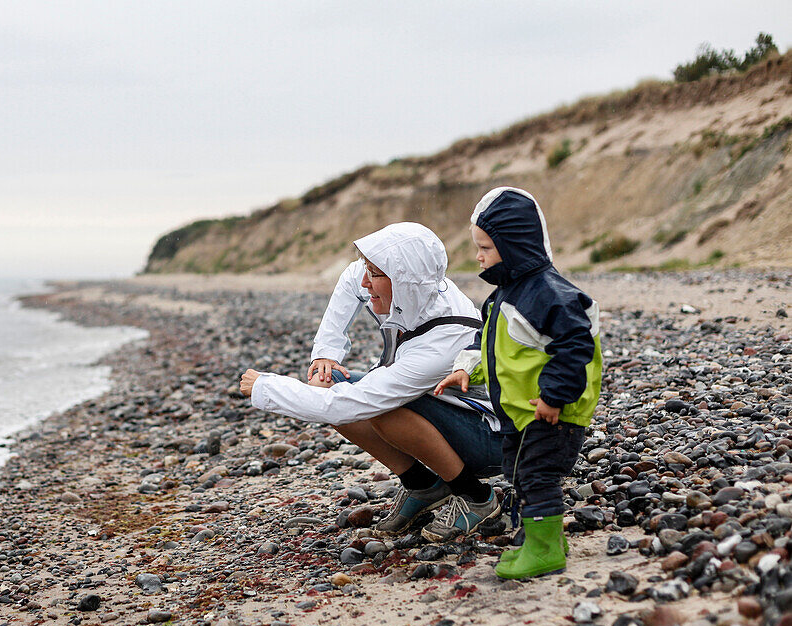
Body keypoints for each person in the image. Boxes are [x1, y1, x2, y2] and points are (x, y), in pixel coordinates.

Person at [239, 222, 504, 542]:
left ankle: (475, 497)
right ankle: (423, 486)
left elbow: (346, 406)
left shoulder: (445, 339)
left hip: (490, 438)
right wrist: (325, 352)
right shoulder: (408, 293)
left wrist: (266, 387)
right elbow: (352, 276)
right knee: (328, 378)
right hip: (448, 411)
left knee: (380, 405)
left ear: (405, 282)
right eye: (370, 270)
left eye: (376, 274)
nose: (366, 282)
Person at [435, 187, 602, 579]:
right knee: (520, 474)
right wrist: (467, 370)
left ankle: (544, 549)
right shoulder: (503, 297)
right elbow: (491, 346)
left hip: (549, 411)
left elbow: (576, 344)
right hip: (519, 411)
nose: (478, 257)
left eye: (486, 248)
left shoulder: (547, 293)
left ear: (513, 244)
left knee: (536, 475)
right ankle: (542, 540)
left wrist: (555, 396)